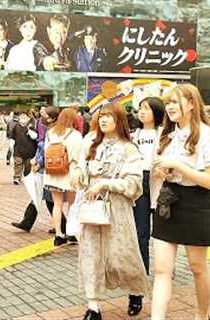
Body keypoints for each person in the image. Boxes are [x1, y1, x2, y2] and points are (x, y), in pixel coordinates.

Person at [151, 84, 210, 320]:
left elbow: (209, 181)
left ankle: (202, 315)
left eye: (175, 102)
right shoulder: (168, 134)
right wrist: (162, 171)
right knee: (162, 269)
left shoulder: (207, 135)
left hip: (196, 203)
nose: (170, 107)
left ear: (191, 103)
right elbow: (161, 166)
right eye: (168, 103)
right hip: (168, 200)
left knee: (197, 267)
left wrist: (178, 165)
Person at [75, 102, 148, 320]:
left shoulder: (129, 148)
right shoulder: (90, 144)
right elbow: (80, 175)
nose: (104, 120)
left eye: (109, 116)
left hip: (117, 209)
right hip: (92, 208)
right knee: (90, 253)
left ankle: (135, 292)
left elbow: (134, 184)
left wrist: (105, 184)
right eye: (101, 116)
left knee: (122, 253)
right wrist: (80, 174)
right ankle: (93, 307)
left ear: (119, 121)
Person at [129, 96, 165, 314]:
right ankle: (137, 291)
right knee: (141, 235)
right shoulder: (135, 135)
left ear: (157, 112)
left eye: (147, 109)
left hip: (163, 189)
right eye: (140, 108)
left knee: (163, 236)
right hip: (139, 186)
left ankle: (164, 271)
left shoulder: (165, 134)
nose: (141, 112)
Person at [11, 106, 66, 234]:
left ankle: (64, 227)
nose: (42, 116)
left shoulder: (54, 131)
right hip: (44, 168)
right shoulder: (50, 129)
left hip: (47, 169)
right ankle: (28, 223)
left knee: (48, 199)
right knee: (42, 196)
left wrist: (39, 163)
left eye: (45, 114)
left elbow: (49, 151)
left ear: (52, 118)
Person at [43, 108, 82, 246]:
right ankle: (71, 233)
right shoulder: (75, 134)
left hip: (53, 172)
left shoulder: (50, 133)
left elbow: (45, 151)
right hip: (69, 172)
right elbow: (77, 156)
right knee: (72, 204)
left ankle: (59, 234)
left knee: (57, 204)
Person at [11, 113, 37, 185]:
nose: (23, 120)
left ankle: (26, 177)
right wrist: (11, 146)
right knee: (18, 163)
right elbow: (12, 137)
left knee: (28, 165)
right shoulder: (16, 126)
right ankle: (17, 177)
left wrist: (30, 131)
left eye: (25, 118)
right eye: (22, 118)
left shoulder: (31, 126)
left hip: (29, 150)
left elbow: (35, 137)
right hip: (18, 149)